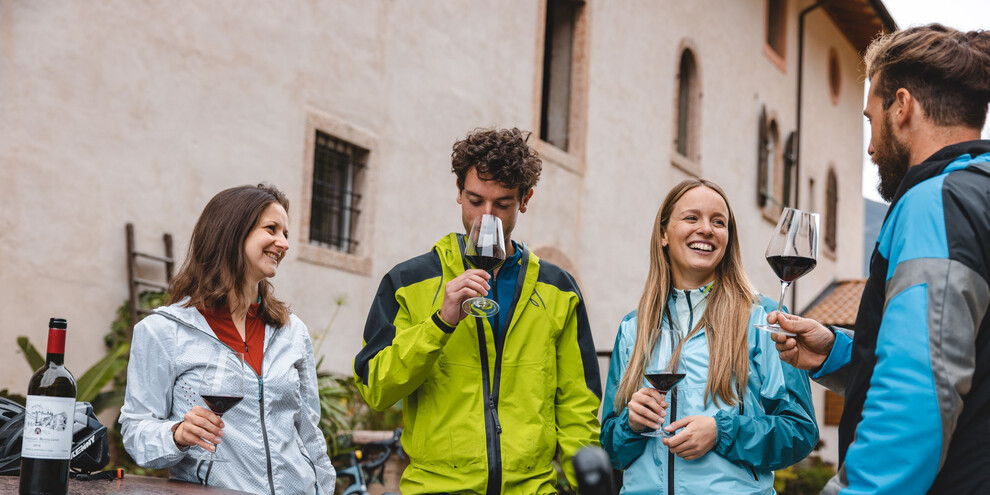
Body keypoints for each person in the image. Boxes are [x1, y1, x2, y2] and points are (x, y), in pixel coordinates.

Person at [769, 24, 990, 494]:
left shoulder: (935, 204)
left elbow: (918, 399)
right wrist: (837, 353)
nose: (869, 147)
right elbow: (965, 361)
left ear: (903, 107)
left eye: (870, 119)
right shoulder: (979, 197)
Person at [353, 127, 602, 494]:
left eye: (502, 204)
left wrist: (588, 486)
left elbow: (578, 406)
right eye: (475, 201)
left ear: (525, 199)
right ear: (458, 192)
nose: (487, 217)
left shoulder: (558, 288)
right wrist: (440, 323)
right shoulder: (407, 281)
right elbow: (376, 387)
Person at [601, 179, 818, 494]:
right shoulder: (632, 327)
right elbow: (612, 449)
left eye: (719, 222)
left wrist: (722, 432)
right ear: (663, 234)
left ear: (728, 239)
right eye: (692, 218)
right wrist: (631, 425)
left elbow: (799, 432)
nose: (706, 229)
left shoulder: (764, 320)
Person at [119, 184, 335, 494]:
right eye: (271, 229)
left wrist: (324, 489)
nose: (283, 243)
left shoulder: (292, 331)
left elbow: (309, 430)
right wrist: (177, 433)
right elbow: (135, 431)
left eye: (285, 233)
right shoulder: (163, 331)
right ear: (232, 232)